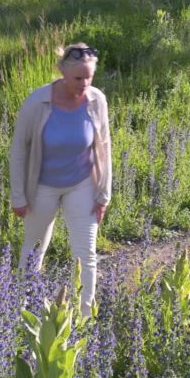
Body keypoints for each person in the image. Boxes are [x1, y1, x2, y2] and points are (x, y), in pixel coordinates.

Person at [9, 43, 111, 316]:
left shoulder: (97, 100)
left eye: (89, 77)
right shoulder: (37, 102)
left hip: (82, 184)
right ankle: (23, 317)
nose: (84, 83)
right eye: (78, 78)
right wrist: (18, 196)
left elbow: (104, 146)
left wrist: (103, 194)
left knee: (86, 255)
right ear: (62, 72)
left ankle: (85, 319)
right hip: (42, 185)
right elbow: (19, 149)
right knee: (33, 253)